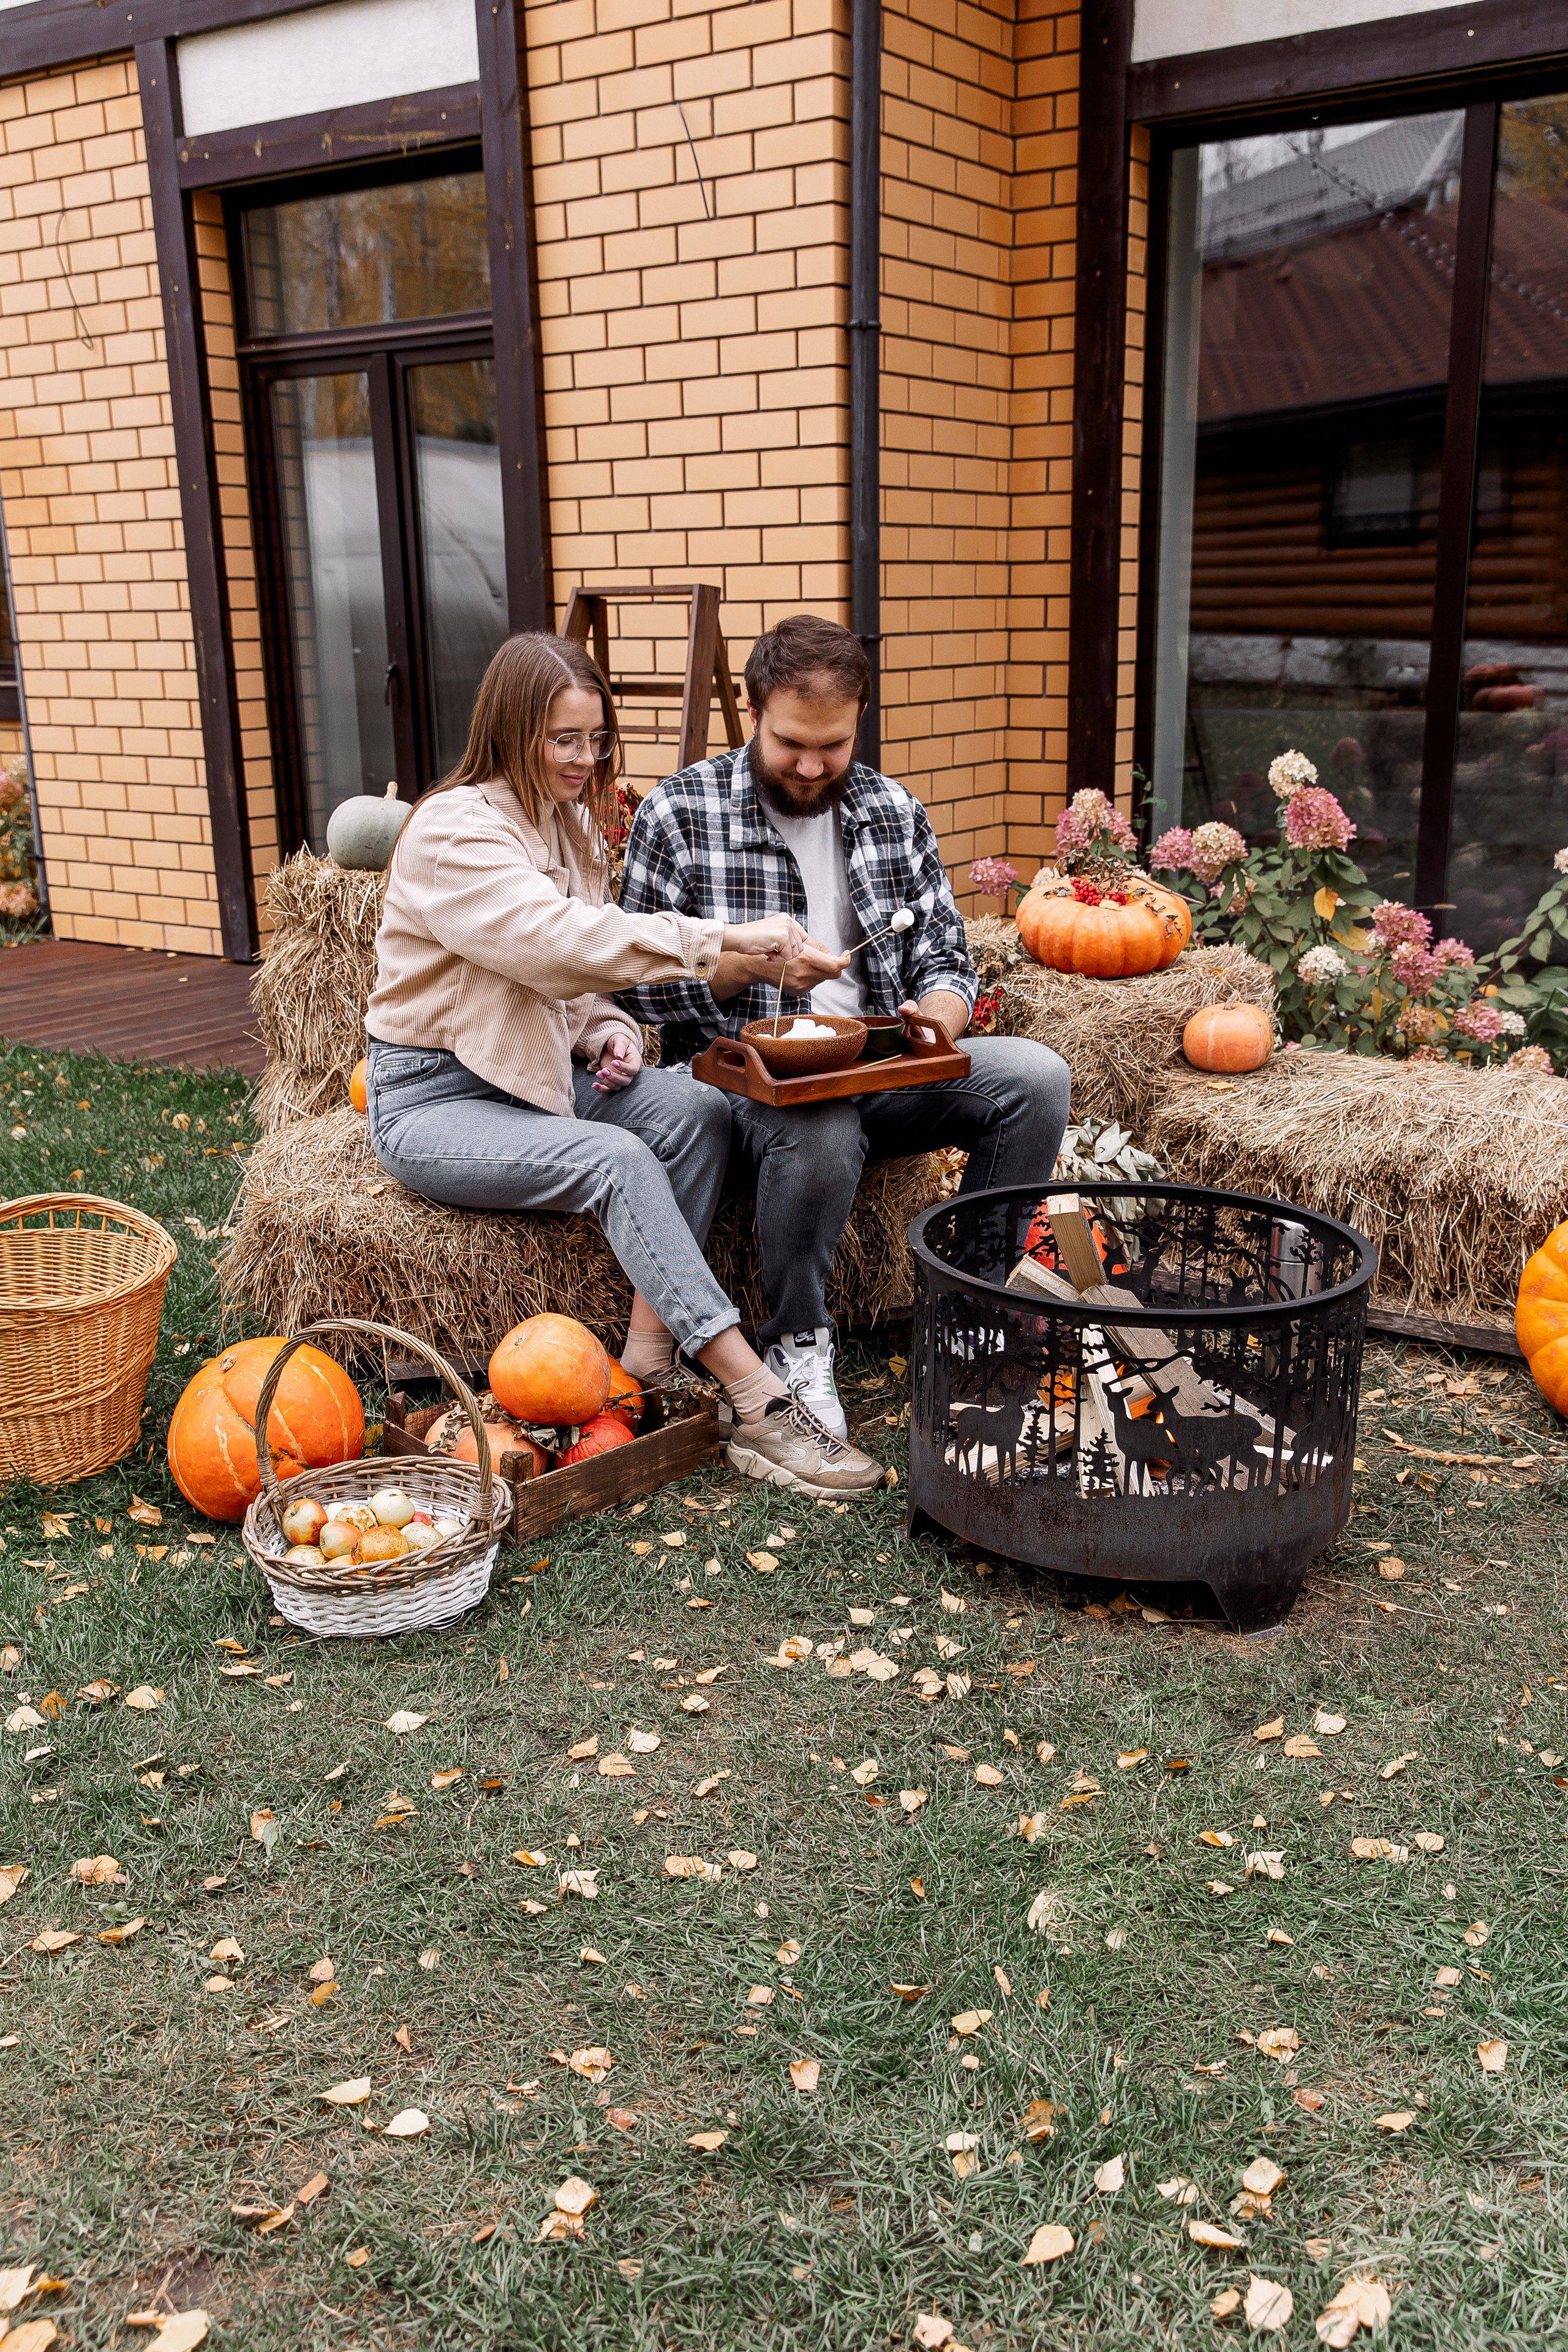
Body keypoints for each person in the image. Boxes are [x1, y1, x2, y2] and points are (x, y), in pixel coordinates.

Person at [361, 630, 888, 1498]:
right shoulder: (455, 832)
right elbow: (551, 943)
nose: (585, 758)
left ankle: (644, 1361)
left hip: (538, 1077)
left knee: (698, 1111)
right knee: (616, 1158)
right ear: (510, 731)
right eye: (564, 739)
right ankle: (756, 1399)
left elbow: (579, 978)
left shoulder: (565, 824)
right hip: (433, 1100)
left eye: (596, 737)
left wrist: (605, 1028)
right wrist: (719, 943)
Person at [617, 613, 1072, 1438]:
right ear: (753, 712)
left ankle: (969, 1311)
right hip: (746, 1088)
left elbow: (946, 957)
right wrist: (745, 969)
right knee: (819, 1122)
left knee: (1037, 1078)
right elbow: (635, 988)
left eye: (833, 744)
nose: (813, 764)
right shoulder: (679, 814)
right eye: (793, 742)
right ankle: (796, 1339)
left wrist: (936, 1018)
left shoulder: (892, 810)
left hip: (881, 1068)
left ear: (860, 716)